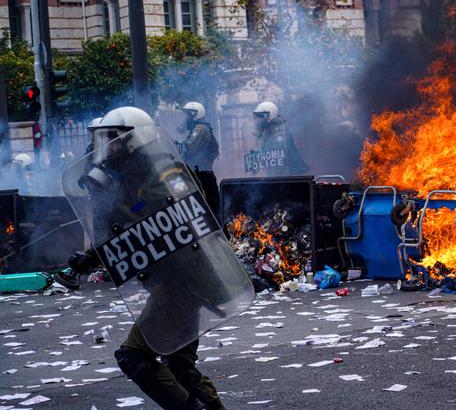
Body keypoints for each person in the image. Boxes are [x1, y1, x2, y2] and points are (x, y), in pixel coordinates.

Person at [78, 106, 228, 410]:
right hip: (177, 282)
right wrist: (91, 255)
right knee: (178, 363)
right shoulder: (132, 178)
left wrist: (96, 254)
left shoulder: (162, 174)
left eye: (114, 139)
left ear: (135, 140)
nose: (107, 147)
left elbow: (156, 225)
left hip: (182, 283)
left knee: (133, 356)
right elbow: (129, 228)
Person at [244, 101, 308, 177]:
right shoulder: (268, 132)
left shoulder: (280, 132)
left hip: (288, 178)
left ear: (269, 117)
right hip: (280, 178)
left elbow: (275, 155)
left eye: (261, 116)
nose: (259, 120)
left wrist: (258, 155)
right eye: (258, 116)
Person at [179, 101, 221, 217]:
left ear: (195, 114)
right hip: (198, 172)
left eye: (188, 115)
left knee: (210, 204)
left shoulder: (200, 128)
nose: (186, 118)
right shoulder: (197, 128)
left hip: (202, 173)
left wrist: (178, 145)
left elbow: (190, 147)